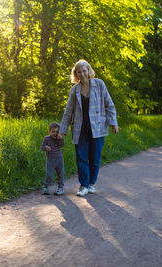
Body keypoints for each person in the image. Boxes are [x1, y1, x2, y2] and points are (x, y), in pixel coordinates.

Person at [59, 59, 118, 197]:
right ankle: (83, 185)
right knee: (81, 157)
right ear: (76, 74)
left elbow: (109, 104)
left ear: (88, 70)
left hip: (97, 127)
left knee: (95, 157)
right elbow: (68, 111)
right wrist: (63, 130)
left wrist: (113, 123)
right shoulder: (75, 90)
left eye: (84, 71)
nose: (82, 74)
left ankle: (91, 184)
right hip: (80, 128)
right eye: (79, 72)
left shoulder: (99, 84)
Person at [41, 122, 65, 195]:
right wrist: (45, 147)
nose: (55, 133)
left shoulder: (59, 138)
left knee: (60, 174)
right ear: (49, 132)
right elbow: (42, 147)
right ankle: (45, 186)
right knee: (50, 175)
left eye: (57, 132)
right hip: (50, 160)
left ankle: (60, 188)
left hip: (59, 159)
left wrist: (61, 139)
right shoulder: (46, 138)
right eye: (53, 132)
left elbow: (62, 145)